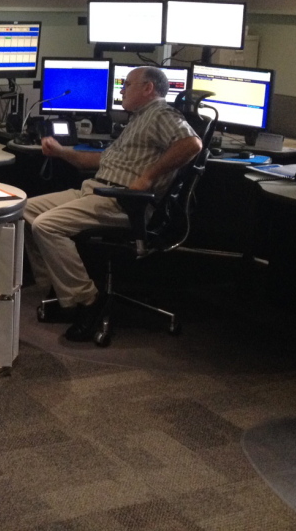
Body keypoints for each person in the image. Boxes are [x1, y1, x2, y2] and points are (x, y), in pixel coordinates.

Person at [25, 66, 202, 341]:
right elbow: (98, 161)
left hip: (124, 202)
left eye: (127, 84)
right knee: (24, 208)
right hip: (96, 190)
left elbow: (192, 144)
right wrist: (61, 152)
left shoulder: (160, 113)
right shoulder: (138, 119)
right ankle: (62, 294)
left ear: (148, 88)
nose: (121, 90)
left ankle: (87, 301)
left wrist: (146, 178)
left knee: (46, 225)